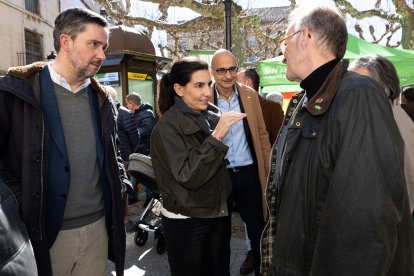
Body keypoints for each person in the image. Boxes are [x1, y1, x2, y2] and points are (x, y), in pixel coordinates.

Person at [261, 5, 414, 276]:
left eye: (284, 41)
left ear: (305, 37)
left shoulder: (358, 95)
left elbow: (365, 220)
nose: (282, 53)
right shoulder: (308, 99)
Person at [0, 8, 131, 276]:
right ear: (66, 41)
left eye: (104, 47)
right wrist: (22, 204)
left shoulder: (103, 98)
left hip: (97, 232)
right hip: (40, 234)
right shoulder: (15, 92)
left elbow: (114, 153)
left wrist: (122, 191)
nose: (102, 55)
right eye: (93, 44)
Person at [150, 57, 246, 276]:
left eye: (208, 84)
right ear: (179, 89)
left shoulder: (210, 116)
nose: (207, 92)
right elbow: (190, 175)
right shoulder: (167, 128)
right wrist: (218, 135)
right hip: (187, 222)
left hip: (216, 214)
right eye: (199, 85)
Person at [210, 49, 271, 276]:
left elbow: (262, 134)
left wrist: (267, 170)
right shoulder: (205, 97)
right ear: (212, 72)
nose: (228, 75)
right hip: (219, 176)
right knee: (220, 234)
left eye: (232, 69)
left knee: (257, 231)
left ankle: (260, 271)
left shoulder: (249, 95)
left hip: (248, 174)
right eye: (221, 70)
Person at [349, 55, 414, 216]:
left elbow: (408, 175)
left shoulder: (394, 117)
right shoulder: (356, 117)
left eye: (363, 85)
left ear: (386, 87)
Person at [235, 68, 283, 274]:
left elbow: (280, 140)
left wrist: (267, 164)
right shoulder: (228, 102)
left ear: (247, 82)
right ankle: (252, 253)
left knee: (261, 220)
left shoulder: (271, 107)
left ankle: (262, 256)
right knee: (249, 222)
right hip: (237, 173)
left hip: (263, 172)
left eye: (235, 76)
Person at [237, 68, 284, 146]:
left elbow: (278, 142)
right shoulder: (236, 107)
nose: (233, 85)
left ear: (247, 83)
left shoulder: (273, 108)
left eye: (236, 81)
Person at [125, 92, 155, 206]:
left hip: (145, 150)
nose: (127, 106)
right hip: (136, 149)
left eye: (127, 104)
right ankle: (132, 197)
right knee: (134, 174)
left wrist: (133, 132)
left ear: (132, 104)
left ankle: (149, 199)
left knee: (146, 176)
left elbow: (148, 129)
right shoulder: (133, 113)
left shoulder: (147, 113)